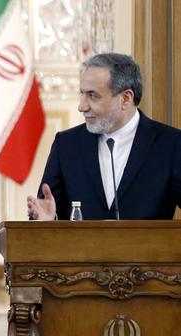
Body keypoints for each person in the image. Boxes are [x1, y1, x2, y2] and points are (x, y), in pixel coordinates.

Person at [27, 52, 181, 221]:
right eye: (82, 94)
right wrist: (48, 220)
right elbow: (45, 214)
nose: (82, 106)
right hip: (81, 248)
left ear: (125, 98)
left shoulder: (171, 144)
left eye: (93, 96)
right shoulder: (66, 145)